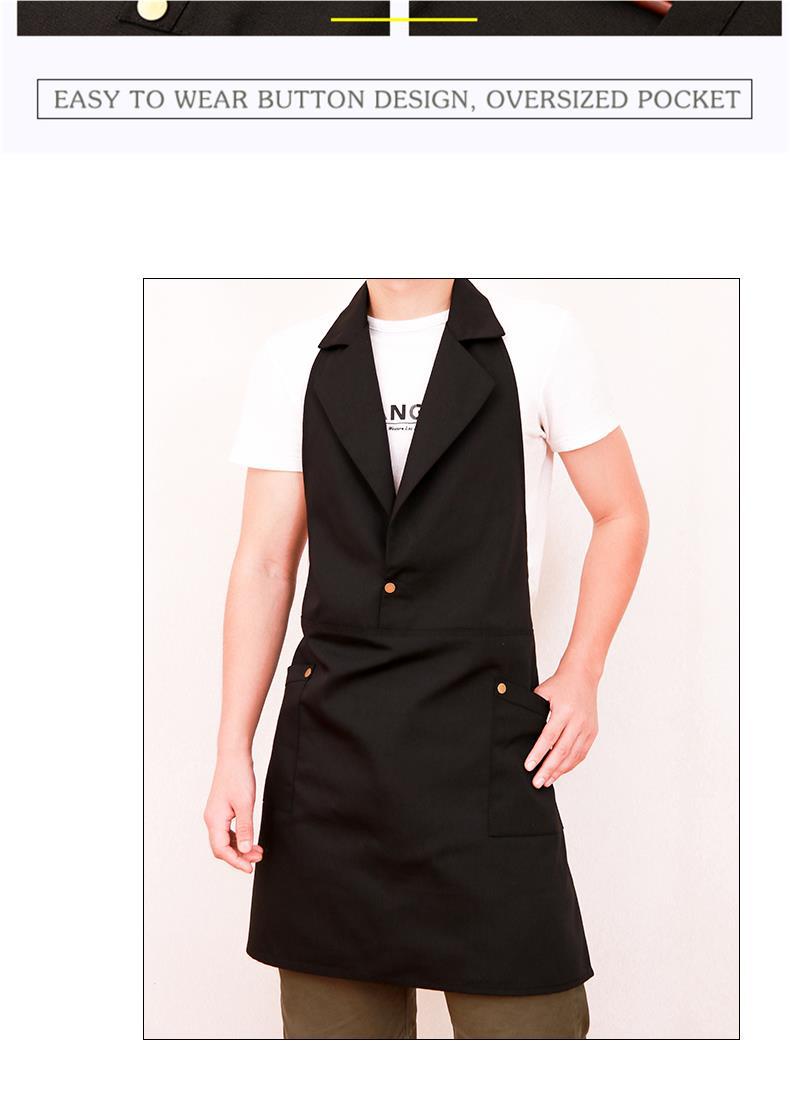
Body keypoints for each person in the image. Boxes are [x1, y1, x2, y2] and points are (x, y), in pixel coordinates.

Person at [204, 279, 649, 1039]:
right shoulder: (292, 357)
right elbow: (266, 563)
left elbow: (622, 512)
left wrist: (583, 671)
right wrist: (231, 751)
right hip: (331, 765)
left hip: (486, 751)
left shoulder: (539, 340)